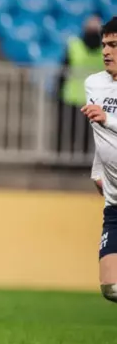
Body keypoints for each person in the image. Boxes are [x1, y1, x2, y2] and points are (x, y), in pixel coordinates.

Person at [79, 16, 117, 304]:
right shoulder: (94, 84)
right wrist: (97, 170)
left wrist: (108, 119)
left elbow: (105, 122)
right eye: (104, 45)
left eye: (114, 45)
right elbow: (99, 134)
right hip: (114, 201)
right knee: (110, 287)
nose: (106, 51)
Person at [56, 15, 104, 156]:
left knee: (86, 134)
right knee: (70, 131)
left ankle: (79, 159)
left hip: (91, 99)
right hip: (74, 96)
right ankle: (68, 158)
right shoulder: (74, 45)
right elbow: (63, 69)